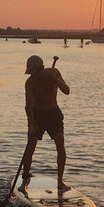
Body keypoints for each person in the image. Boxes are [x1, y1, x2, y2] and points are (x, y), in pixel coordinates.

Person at [20, 54, 71, 193]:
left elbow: (67, 91)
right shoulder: (29, 83)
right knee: (30, 148)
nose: (32, 75)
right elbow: (28, 106)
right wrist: (31, 124)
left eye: (34, 71)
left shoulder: (53, 73)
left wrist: (56, 81)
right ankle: (24, 180)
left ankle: (60, 182)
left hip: (53, 114)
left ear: (41, 68)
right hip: (37, 116)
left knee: (60, 146)